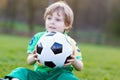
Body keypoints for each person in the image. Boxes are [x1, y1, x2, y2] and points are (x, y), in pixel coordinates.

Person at [2, 0, 83, 80]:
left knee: (68, 78)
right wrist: (34, 57)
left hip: (60, 75)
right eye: (49, 18)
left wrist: (74, 61)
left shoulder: (70, 42)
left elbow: (80, 67)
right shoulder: (38, 38)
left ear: (67, 24)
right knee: (21, 71)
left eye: (57, 19)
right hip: (40, 75)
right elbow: (29, 61)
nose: (52, 22)